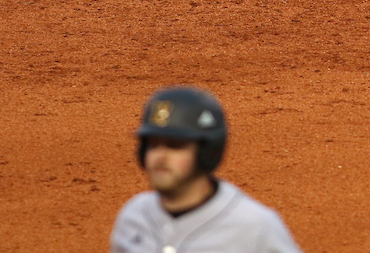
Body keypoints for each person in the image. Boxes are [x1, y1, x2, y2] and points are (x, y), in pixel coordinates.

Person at [111, 85, 304, 253]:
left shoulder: (255, 227)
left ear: (208, 152)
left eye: (175, 146)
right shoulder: (132, 217)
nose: (160, 157)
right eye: (153, 145)